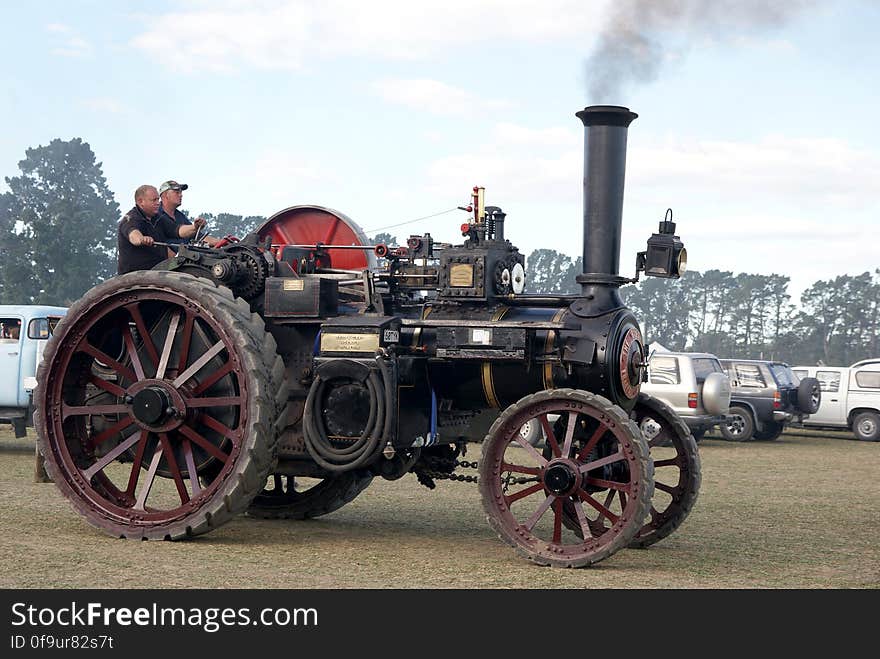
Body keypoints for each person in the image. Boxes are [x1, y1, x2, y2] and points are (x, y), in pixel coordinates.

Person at [117, 184, 206, 274]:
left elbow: (178, 230)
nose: (158, 203)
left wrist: (194, 227)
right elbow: (133, 235)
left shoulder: (158, 218)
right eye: (154, 200)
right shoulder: (131, 218)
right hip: (135, 276)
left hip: (157, 272)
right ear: (141, 201)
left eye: (158, 199)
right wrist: (142, 239)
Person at [157, 180, 219, 248]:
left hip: (185, 257)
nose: (181, 195)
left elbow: (199, 237)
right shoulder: (155, 215)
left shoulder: (181, 217)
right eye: (177, 192)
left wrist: (222, 242)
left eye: (181, 192)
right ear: (165, 195)